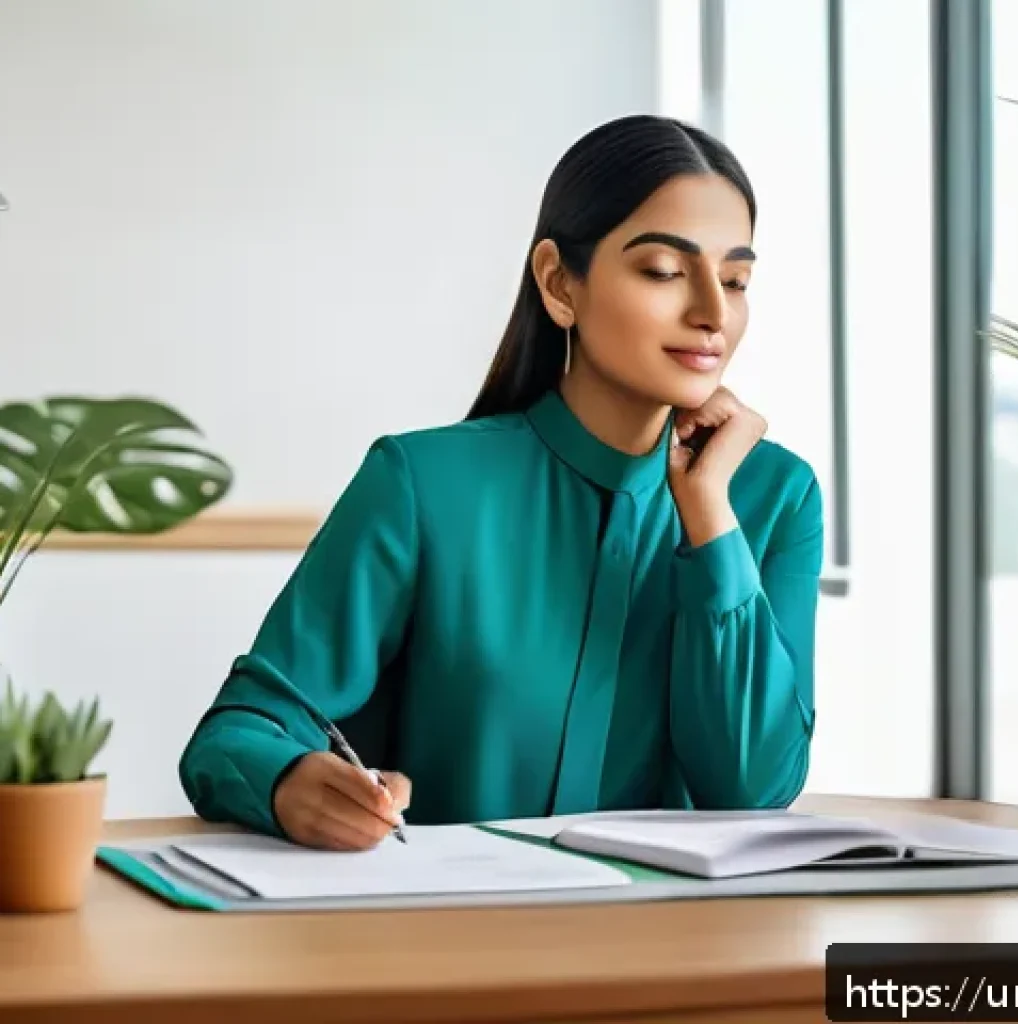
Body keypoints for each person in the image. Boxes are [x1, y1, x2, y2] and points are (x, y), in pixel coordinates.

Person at [179, 114, 823, 852]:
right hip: (456, 943)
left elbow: (755, 788)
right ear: (558, 283)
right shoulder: (422, 484)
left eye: (736, 279)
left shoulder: (777, 498)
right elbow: (240, 728)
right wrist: (290, 782)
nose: (713, 312)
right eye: (665, 272)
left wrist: (711, 521)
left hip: (679, 947)